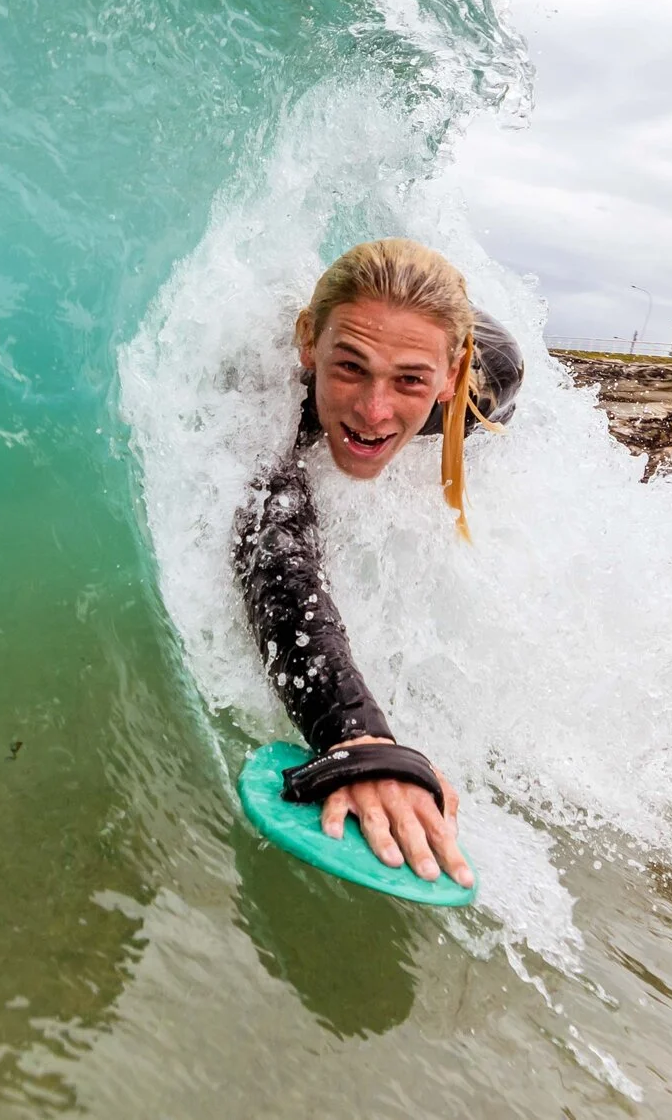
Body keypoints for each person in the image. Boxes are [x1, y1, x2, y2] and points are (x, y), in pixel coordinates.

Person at [232, 239, 523, 891]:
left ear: (448, 378)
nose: (373, 409)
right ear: (310, 344)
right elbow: (270, 541)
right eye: (349, 368)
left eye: (410, 382)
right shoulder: (272, 376)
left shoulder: (487, 383)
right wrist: (354, 734)